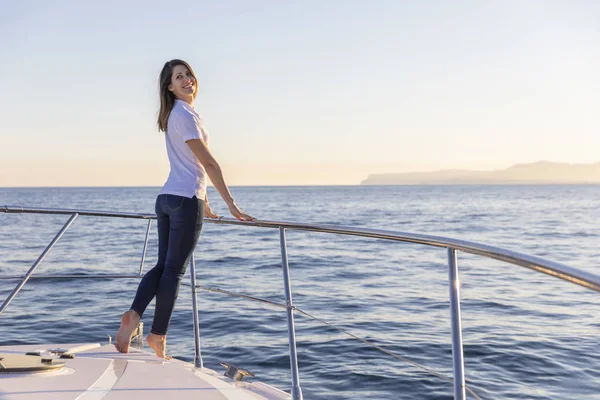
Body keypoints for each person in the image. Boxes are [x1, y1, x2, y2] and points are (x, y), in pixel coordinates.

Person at [115, 59, 255, 359]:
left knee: (163, 266)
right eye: (179, 77)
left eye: (188, 74)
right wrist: (231, 203)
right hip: (183, 201)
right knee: (174, 272)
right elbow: (208, 163)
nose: (187, 79)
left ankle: (133, 315)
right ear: (170, 87)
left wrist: (205, 199)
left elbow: (189, 165)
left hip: (168, 197)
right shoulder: (185, 115)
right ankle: (157, 336)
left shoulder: (176, 115)